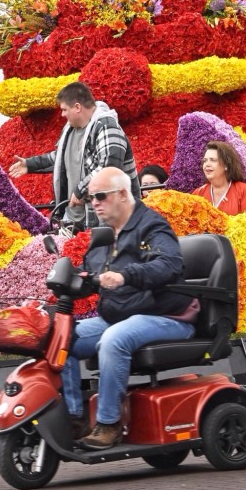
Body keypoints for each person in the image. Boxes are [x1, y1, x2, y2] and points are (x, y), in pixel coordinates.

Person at [61, 168, 199, 450]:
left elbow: (170, 264)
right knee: (61, 337)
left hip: (165, 315)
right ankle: (74, 418)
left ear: (123, 194)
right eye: (90, 198)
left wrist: (127, 276)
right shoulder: (105, 236)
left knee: (115, 339)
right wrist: (73, 281)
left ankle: (109, 424)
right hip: (122, 314)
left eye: (100, 196)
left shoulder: (151, 226)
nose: (94, 203)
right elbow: (93, 277)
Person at [9, 82, 140, 234]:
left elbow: (109, 168)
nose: (62, 114)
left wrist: (80, 190)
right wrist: (30, 164)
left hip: (107, 220)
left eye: (64, 109)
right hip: (72, 219)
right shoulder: (70, 130)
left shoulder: (106, 125)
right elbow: (60, 160)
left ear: (77, 107)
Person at [192, 140, 246, 216]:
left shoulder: (245, 192)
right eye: (205, 161)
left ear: (226, 165)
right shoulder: (198, 193)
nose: (207, 164)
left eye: (213, 160)